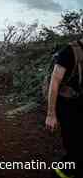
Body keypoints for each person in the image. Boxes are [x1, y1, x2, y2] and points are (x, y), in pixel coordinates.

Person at [46, 39, 83, 178]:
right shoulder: (69, 51)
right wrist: (51, 114)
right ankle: (61, 171)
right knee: (76, 149)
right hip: (68, 106)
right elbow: (54, 82)